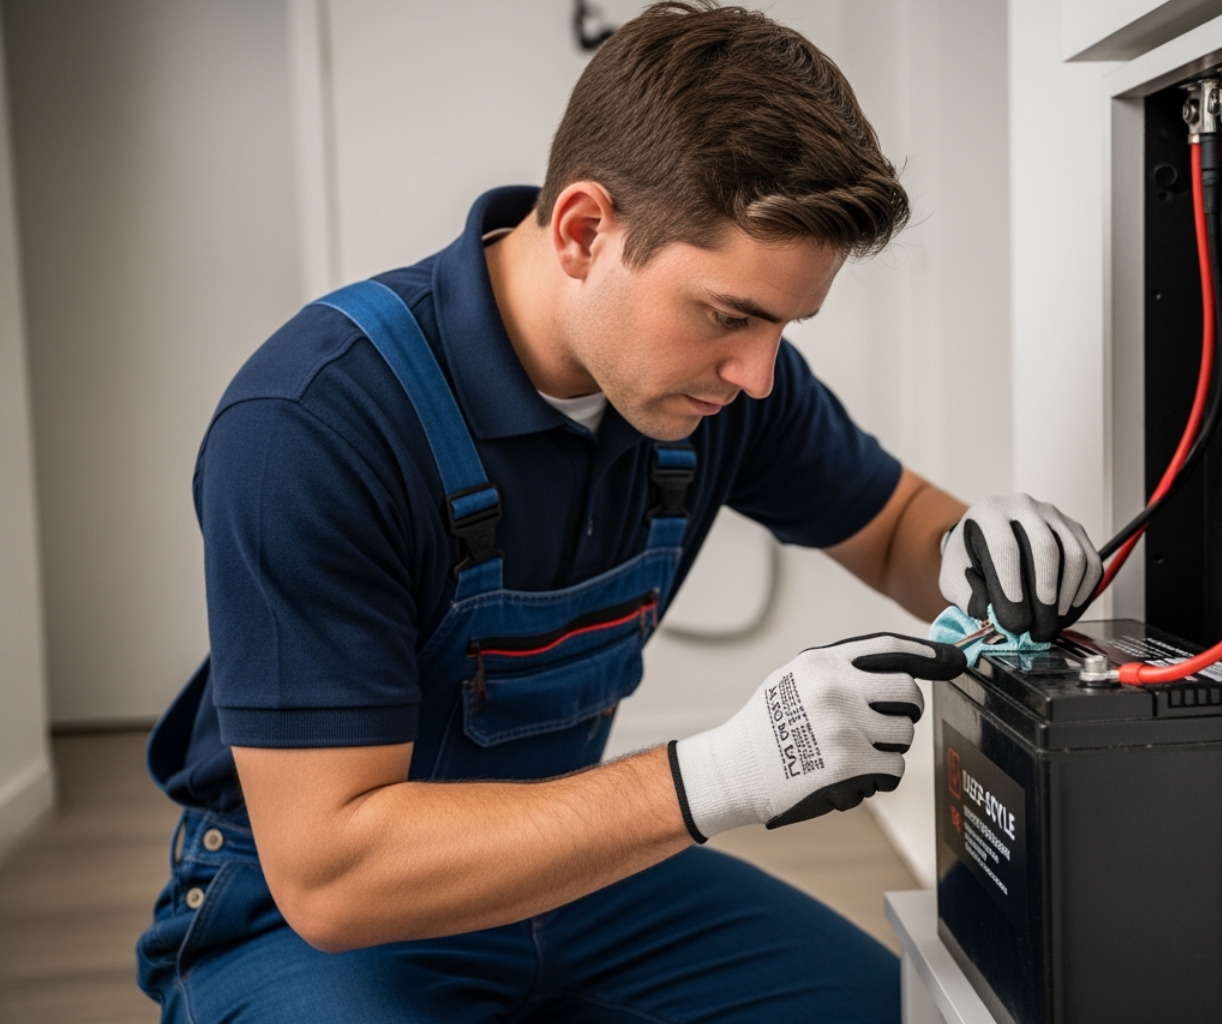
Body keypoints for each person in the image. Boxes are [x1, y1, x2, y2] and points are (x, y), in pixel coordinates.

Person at [136, 3, 1102, 1021]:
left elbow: (897, 524)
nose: (759, 375)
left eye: (784, 323)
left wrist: (971, 552)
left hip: (573, 876)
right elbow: (332, 873)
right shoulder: (312, 427)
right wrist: (718, 775)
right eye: (729, 316)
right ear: (585, 231)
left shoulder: (721, 388)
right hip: (316, 915)